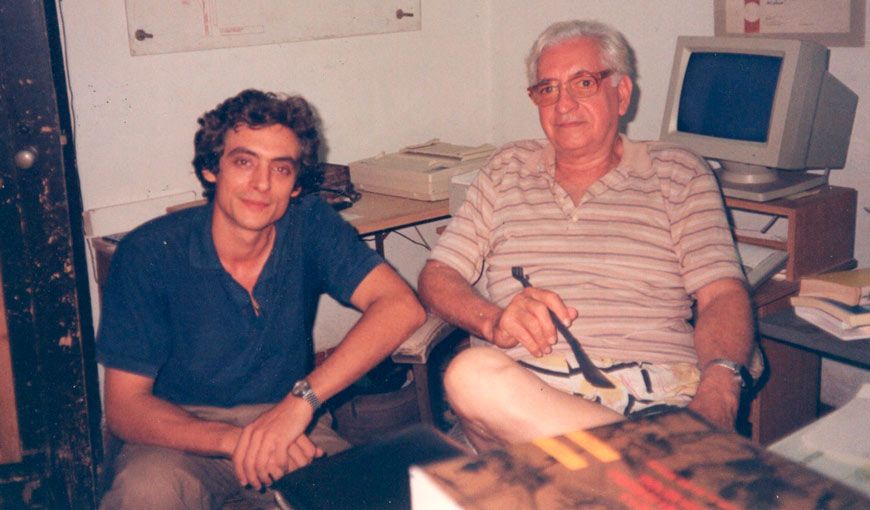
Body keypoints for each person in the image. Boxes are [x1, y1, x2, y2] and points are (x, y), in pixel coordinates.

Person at [418, 20, 759, 451]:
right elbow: (437, 274)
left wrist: (719, 391)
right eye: (547, 89)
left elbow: (722, 295)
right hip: (522, 402)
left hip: (653, 399)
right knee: (471, 375)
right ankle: (650, 466)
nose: (563, 105)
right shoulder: (507, 169)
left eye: (582, 83)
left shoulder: (677, 172)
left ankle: (632, 470)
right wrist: (494, 321)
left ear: (621, 94)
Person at [97, 89, 426, 509]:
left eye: (281, 169)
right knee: (146, 495)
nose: (261, 184)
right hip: (182, 435)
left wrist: (299, 405)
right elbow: (126, 408)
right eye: (243, 161)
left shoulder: (309, 225)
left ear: (295, 186)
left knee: (364, 498)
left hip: (290, 419)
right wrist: (238, 441)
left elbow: (402, 307)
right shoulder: (150, 253)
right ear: (211, 169)